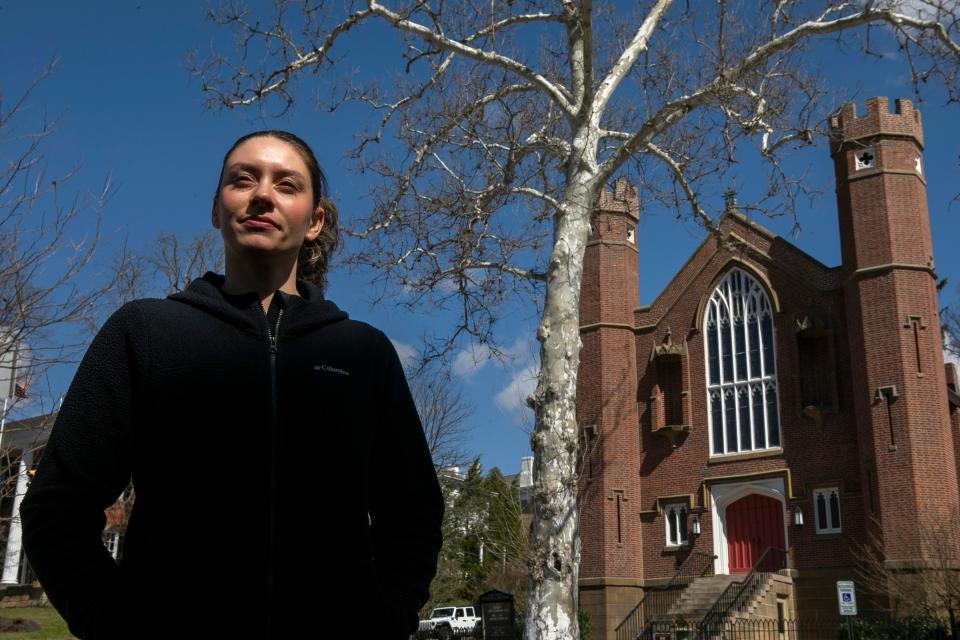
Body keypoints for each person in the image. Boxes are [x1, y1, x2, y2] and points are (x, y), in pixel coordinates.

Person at [19, 130, 445, 639]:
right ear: (217, 210)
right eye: (243, 180)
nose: (262, 194)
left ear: (314, 221)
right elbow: (56, 507)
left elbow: (413, 515)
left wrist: (386, 619)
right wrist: (115, 622)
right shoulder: (145, 333)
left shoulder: (364, 353)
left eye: (287, 184)